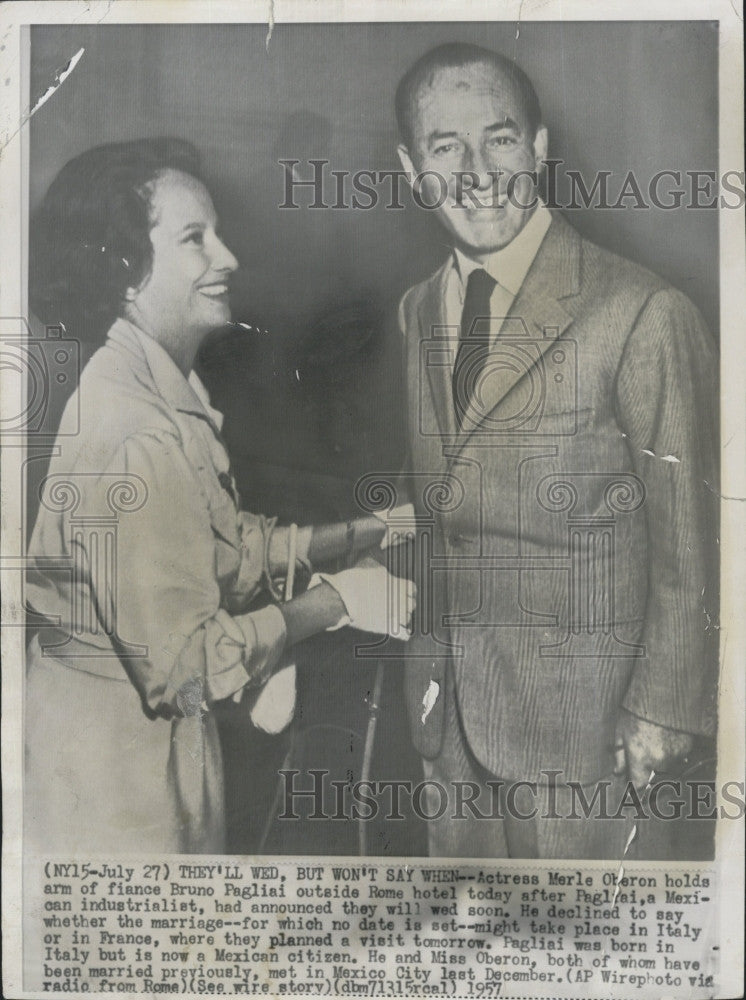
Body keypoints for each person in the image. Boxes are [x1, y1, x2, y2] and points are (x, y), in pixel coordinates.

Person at [25, 138, 414, 855]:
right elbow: (183, 668)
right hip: (110, 783)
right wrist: (337, 602)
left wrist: (367, 531)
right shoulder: (136, 434)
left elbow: (223, 551)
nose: (228, 258)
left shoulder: (158, 391)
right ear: (123, 270)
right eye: (195, 239)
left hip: (136, 755)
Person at [394, 44, 718, 858]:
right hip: (449, 724)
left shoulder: (642, 312)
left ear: (539, 150)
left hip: (588, 741)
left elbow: (692, 544)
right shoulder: (416, 310)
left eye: (499, 139)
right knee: (467, 963)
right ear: (410, 170)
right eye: (444, 147)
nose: (475, 171)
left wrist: (663, 713)